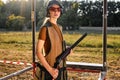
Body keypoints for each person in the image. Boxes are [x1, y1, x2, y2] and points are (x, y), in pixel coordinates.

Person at [34, 0, 68, 80]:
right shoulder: (45, 28)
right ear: (48, 11)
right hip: (49, 73)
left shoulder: (59, 27)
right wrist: (50, 70)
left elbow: (56, 46)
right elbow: (38, 52)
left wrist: (66, 49)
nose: (56, 11)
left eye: (58, 9)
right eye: (53, 9)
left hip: (60, 70)